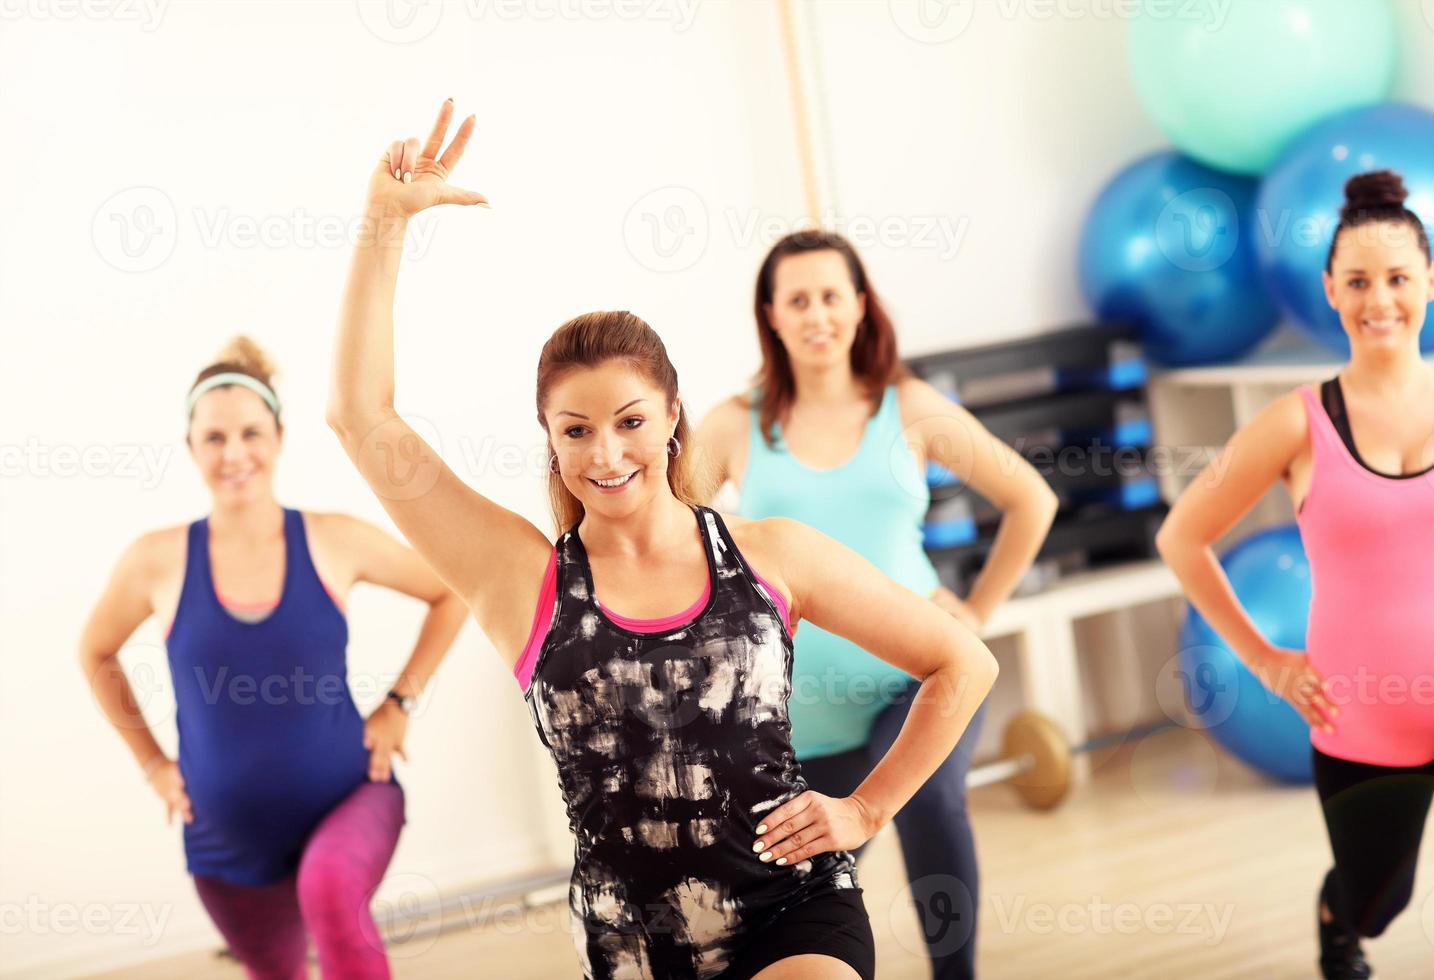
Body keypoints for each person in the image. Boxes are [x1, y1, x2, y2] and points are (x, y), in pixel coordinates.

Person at [326, 99, 999, 980]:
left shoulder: (769, 556)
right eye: (574, 431)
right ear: (551, 438)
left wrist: (867, 812)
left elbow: (964, 663)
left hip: (794, 910)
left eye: (630, 420)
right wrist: (384, 220)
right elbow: (360, 417)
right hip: (631, 950)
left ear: (673, 416)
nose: (605, 454)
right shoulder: (523, 581)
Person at [695, 229, 1057, 978]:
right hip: (798, 713)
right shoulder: (736, 424)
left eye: (832, 296)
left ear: (860, 307)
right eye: (798, 299)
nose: (817, 314)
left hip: (916, 682)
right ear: (770, 315)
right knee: (793, 894)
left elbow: (1031, 498)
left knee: (929, 802)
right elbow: (665, 538)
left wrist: (978, 613)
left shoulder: (910, 406)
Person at [1156, 170, 1434, 980]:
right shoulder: (1297, 420)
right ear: (1330, 289)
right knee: (1379, 899)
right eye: (1359, 281)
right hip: (1363, 718)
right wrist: (1265, 659)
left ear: (1432, 280)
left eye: (1399, 278)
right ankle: (1341, 917)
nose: (1380, 300)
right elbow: (1182, 537)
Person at [78, 336, 468, 979]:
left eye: (251, 433)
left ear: (280, 437)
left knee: (332, 893)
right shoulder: (156, 559)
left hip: (351, 797)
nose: (235, 454)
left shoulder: (334, 538)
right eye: (215, 438)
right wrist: (151, 763)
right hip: (225, 845)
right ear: (191, 448)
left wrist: (399, 703)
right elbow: (95, 651)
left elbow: (451, 591)